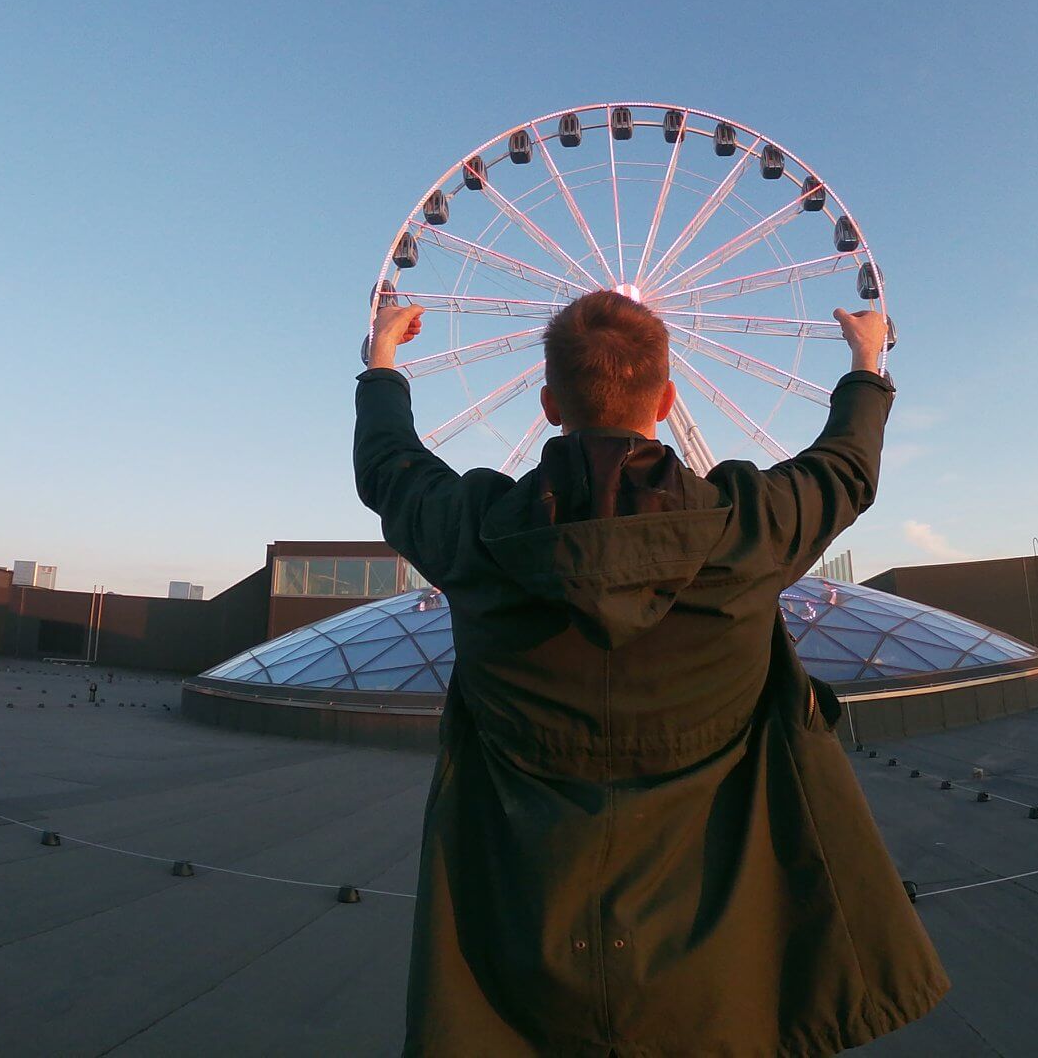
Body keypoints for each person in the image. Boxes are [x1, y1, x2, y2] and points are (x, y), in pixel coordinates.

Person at [355, 290, 949, 1057]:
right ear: (668, 399)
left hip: (518, 940)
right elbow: (845, 469)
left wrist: (383, 362)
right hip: (723, 957)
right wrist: (867, 364)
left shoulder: (473, 531)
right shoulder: (747, 528)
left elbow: (390, 468)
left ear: (546, 402)